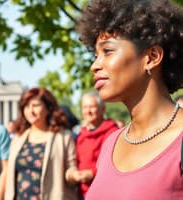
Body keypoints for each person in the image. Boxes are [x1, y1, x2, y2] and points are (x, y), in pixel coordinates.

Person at [77, 0, 183, 199]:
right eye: (95, 55)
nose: (95, 65)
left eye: (107, 51)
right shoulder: (111, 143)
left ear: (152, 56)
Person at [5, 87, 78, 200]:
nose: (30, 111)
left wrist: (74, 175)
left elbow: (71, 168)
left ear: (48, 109)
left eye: (35, 105)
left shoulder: (63, 137)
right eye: (27, 106)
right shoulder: (18, 138)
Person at [74, 92, 118, 199]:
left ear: (102, 109)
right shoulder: (81, 135)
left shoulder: (113, 133)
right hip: (82, 193)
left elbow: (114, 163)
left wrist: (92, 173)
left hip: (104, 193)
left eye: (92, 107)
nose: (88, 111)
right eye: (85, 107)